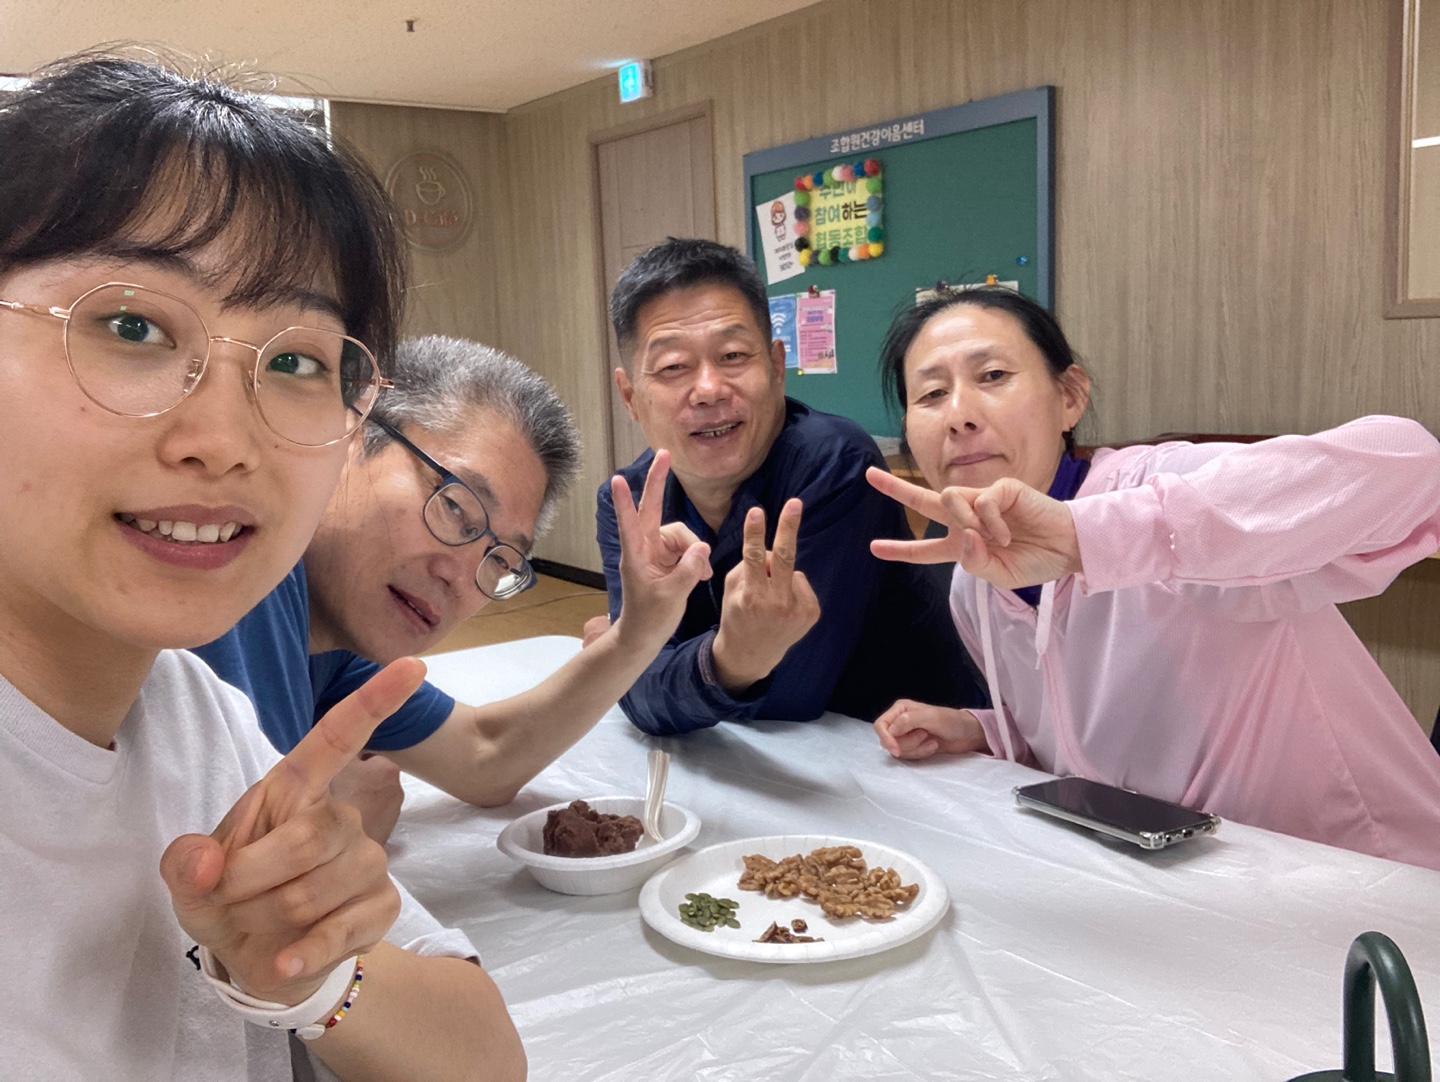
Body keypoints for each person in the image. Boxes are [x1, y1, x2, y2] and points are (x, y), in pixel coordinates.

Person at [0, 55, 525, 1078]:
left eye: (294, 361)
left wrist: (310, 973)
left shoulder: (191, 711)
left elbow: (485, 1057)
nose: (224, 440)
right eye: (132, 325)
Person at [866, 284, 1440, 869]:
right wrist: (984, 731)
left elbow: (1415, 466)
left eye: (992, 376)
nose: (959, 415)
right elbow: (1084, 744)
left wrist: (1091, 538)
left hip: (1367, 874)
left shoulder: (1161, 487)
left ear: (1070, 396)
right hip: (1186, 881)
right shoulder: (976, 584)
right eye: (931, 394)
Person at [195, 334, 712, 839]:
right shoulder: (236, 588)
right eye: (455, 507)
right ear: (351, 432)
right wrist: (328, 826)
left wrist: (638, 633)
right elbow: (199, 862)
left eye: (500, 559)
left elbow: (484, 757)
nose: (461, 578)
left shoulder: (333, 643)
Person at [590, 238, 984, 735]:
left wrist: (641, 657)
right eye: (673, 367)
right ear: (630, 395)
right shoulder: (627, 500)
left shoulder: (835, 463)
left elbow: (793, 692)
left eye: (733, 355)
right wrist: (660, 663)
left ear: (776, 367)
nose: (709, 389)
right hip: (735, 757)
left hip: (905, 752)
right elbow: (635, 692)